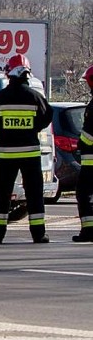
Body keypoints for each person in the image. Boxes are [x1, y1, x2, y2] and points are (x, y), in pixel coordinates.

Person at [0, 54, 52, 244]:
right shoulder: (35, 96)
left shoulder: (0, 97)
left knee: (2, 194)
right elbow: (47, 115)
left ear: (10, 73)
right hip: (30, 153)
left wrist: (5, 129)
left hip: (7, 153)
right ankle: (38, 234)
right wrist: (33, 128)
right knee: (34, 193)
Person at [73, 65, 93, 242]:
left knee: (84, 194)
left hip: (91, 160)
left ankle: (88, 230)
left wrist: (80, 143)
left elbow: (89, 134)